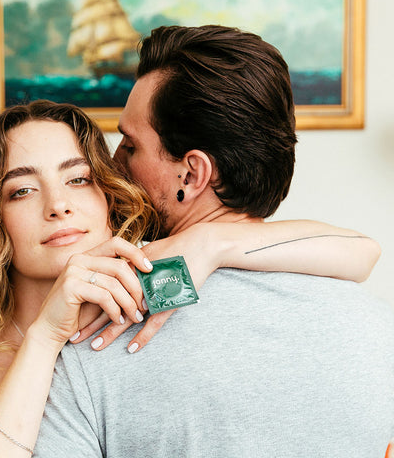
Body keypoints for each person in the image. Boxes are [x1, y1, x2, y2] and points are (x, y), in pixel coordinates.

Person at [0, 100, 381, 458]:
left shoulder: (151, 272)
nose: (57, 205)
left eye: (78, 179)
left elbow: (361, 251)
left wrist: (212, 241)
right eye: (22, 190)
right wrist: (44, 336)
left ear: (109, 196)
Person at [34, 26, 394, 457]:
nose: (113, 163)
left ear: (192, 174)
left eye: (130, 145)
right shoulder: (380, 330)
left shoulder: (96, 340)